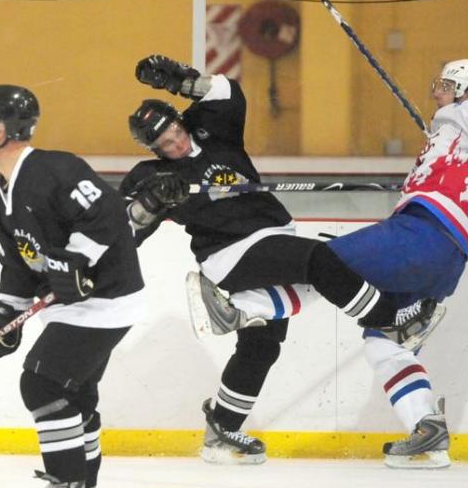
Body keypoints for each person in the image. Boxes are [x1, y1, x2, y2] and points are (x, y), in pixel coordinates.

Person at [120, 53, 439, 466]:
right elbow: (120, 233)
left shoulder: (215, 130)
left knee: (262, 346)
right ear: (153, 149)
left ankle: (223, 424)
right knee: (319, 260)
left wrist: (180, 81)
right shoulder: (150, 175)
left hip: (271, 236)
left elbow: (227, 91)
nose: (176, 144)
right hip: (230, 255)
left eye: (176, 132)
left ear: (182, 120)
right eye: (164, 144)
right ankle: (389, 320)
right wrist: (147, 203)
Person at [191, 58, 468, 469]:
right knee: (383, 343)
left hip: (421, 235)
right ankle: (426, 429)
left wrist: (453, 123)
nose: (437, 92)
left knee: (325, 264)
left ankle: (244, 310)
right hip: (447, 258)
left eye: (447, 85)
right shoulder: (457, 130)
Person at [0, 85, 146, 488]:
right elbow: (19, 257)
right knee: (74, 395)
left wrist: (77, 257)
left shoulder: (55, 168)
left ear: (4, 130)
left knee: (40, 382)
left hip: (107, 299)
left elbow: (109, 213)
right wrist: (7, 308)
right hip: (71, 307)